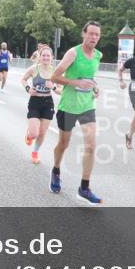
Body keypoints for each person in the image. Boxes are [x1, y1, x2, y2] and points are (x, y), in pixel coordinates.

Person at [50, 21, 103, 205]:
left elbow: (89, 78)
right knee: (63, 144)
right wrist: (75, 83)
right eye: (91, 34)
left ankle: (84, 188)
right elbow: (55, 76)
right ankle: (56, 170)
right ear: (84, 34)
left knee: (91, 145)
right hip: (69, 106)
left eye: (97, 34)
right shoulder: (73, 53)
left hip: (87, 106)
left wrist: (95, 87)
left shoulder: (98, 55)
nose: (94, 37)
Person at [22, 46, 59, 165]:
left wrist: (53, 87)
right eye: (44, 55)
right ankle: (29, 134)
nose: (46, 57)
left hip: (48, 103)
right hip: (35, 102)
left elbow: (61, 90)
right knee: (34, 134)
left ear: (52, 58)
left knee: (42, 133)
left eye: (48, 56)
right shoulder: (34, 69)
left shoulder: (55, 72)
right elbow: (23, 79)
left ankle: (35, 153)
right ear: (40, 56)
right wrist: (28, 88)